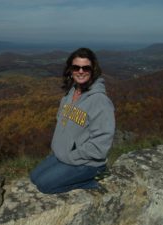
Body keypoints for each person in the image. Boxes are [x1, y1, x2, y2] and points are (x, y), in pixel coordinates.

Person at [30, 47, 115, 194]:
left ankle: (93, 179)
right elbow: (61, 122)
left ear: (93, 69)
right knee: (34, 177)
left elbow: (101, 143)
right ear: (70, 69)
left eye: (85, 67)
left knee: (45, 186)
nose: (80, 71)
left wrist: (72, 155)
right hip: (63, 155)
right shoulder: (71, 93)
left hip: (86, 162)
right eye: (76, 67)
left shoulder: (99, 101)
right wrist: (62, 150)